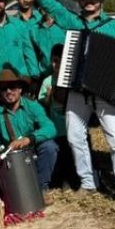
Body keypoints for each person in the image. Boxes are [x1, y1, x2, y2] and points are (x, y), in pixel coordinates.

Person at [29, 0, 115, 211]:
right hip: (77, 90)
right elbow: (52, 7)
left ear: (100, 0)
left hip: (106, 93)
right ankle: (88, 182)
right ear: (79, 1)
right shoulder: (72, 21)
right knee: (74, 136)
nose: (88, 2)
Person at [0, 69, 58, 204]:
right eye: (3, 89)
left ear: (20, 89)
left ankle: (42, 188)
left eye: (12, 87)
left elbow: (51, 128)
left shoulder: (33, 106)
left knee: (49, 147)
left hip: (32, 152)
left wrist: (29, 139)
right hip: (11, 159)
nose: (8, 91)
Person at [38, 45, 78, 189]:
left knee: (70, 155)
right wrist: (48, 97)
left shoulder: (72, 80)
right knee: (58, 155)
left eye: (58, 61)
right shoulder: (48, 81)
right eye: (53, 61)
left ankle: (71, 180)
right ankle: (58, 180)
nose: (55, 65)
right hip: (55, 128)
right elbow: (42, 104)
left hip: (70, 127)